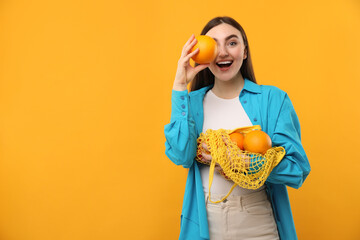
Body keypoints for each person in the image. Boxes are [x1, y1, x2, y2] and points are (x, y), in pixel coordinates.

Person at [164, 16, 310, 240]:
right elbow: (182, 155)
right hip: (205, 221)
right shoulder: (191, 103)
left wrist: (247, 164)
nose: (223, 52)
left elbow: (297, 169)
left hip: (257, 221)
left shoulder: (274, 99)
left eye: (232, 43)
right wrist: (180, 85)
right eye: (214, 44)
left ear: (244, 51)